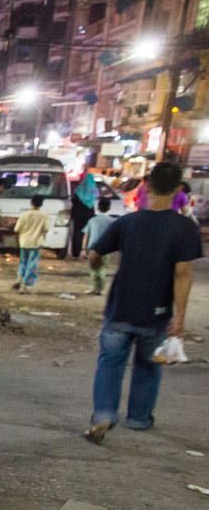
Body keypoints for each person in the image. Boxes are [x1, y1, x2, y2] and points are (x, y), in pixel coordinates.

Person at [85, 161, 200, 444]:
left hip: (121, 306)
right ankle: (138, 418)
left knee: (110, 362)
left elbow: (94, 254)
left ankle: (103, 415)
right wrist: (180, 319)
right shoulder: (184, 228)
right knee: (148, 366)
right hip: (157, 312)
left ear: (146, 186)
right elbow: (182, 273)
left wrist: (101, 262)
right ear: (177, 190)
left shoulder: (127, 222)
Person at [13, 195, 49, 292]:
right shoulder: (44, 216)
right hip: (36, 243)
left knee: (23, 261)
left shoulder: (24, 215)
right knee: (32, 264)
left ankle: (19, 278)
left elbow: (17, 229)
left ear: (31, 202)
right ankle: (25, 284)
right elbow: (46, 229)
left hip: (24, 242)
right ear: (41, 204)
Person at [82, 197, 116, 294]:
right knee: (103, 269)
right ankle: (100, 289)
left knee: (93, 269)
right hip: (106, 249)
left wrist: (83, 249)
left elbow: (86, 235)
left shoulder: (92, 220)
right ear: (109, 207)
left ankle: (95, 287)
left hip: (92, 248)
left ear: (98, 207)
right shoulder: (112, 221)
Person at [70, 172, 98, 258]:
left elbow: (73, 202)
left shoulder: (79, 190)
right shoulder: (94, 189)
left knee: (77, 233)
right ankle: (87, 252)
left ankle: (75, 253)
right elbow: (96, 198)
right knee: (89, 233)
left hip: (78, 214)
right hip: (89, 214)